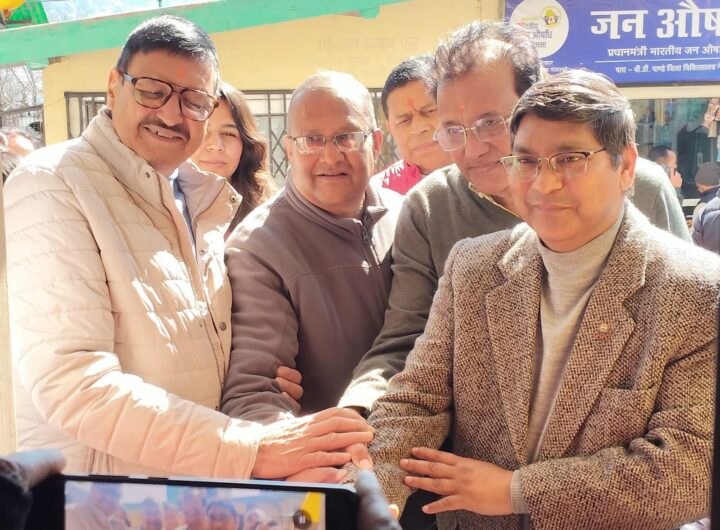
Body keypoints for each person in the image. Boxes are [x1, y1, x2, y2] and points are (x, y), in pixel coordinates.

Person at [4, 15, 372, 481]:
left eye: (194, 100)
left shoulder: (199, 200)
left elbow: (193, 346)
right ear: (114, 87)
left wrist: (263, 380)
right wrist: (251, 448)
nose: (171, 114)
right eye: (152, 91)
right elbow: (73, 382)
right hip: (102, 498)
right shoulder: (54, 183)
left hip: (192, 490)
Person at [360, 68, 718, 529]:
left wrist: (516, 490)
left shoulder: (696, 292)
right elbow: (417, 401)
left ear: (625, 165)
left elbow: (690, 468)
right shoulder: (474, 268)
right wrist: (372, 492)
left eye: (570, 159)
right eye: (526, 161)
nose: (544, 184)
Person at [336, 20, 689, 416]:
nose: (472, 149)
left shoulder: (635, 185)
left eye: (490, 123)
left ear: (535, 105)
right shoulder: (431, 208)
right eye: (453, 130)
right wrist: (355, 413)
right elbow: (404, 344)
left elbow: (685, 323)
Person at [221, 72, 401, 449]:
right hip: (339, 464)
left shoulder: (408, 217)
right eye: (312, 140)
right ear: (289, 148)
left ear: (376, 142)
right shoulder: (259, 248)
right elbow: (255, 396)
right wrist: (318, 457)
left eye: (346, 137)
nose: (330, 156)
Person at [191, 82, 277, 232]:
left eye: (228, 134)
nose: (215, 145)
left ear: (246, 144)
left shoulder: (270, 218)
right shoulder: (159, 210)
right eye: (203, 131)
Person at [376, 54, 451, 194]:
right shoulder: (377, 194)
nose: (418, 128)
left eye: (430, 111)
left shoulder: (488, 177)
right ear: (390, 128)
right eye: (404, 120)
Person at [691, 162, 720, 252]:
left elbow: (695, 242)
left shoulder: (703, 206)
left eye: (698, 186)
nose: (698, 189)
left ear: (703, 185)